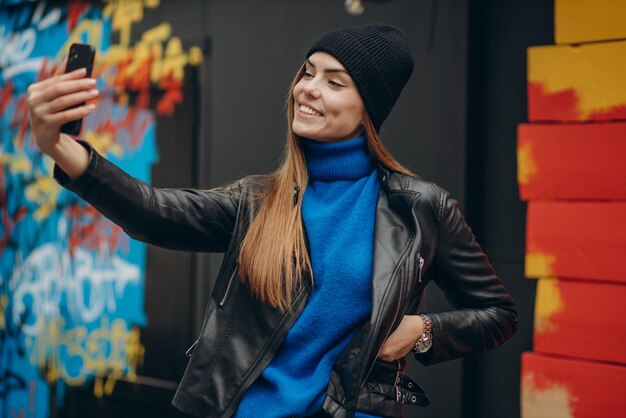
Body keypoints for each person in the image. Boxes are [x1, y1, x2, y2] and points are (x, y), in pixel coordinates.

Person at [28, 24, 517, 418]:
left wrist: (424, 328)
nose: (307, 89)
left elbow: (498, 313)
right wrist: (61, 148)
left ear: (368, 106)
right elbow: (154, 213)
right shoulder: (260, 201)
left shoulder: (420, 208)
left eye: (334, 81)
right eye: (307, 72)